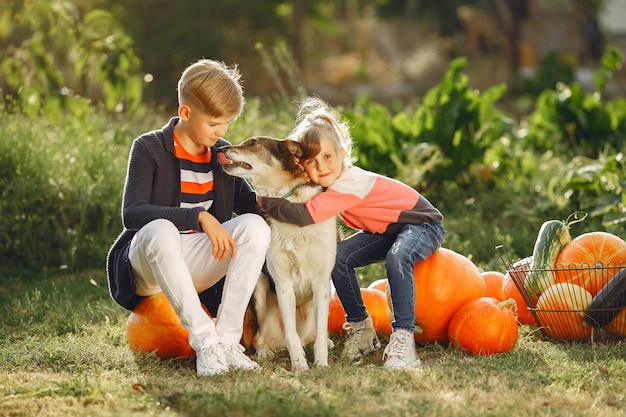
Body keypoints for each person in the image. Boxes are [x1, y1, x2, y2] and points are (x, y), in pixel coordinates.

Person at [106, 59, 271, 377]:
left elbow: (253, 207)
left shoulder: (221, 153)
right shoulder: (149, 148)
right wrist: (199, 218)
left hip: (199, 262)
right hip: (150, 264)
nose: (221, 132)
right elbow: (133, 213)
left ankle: (226, 342)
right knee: (161, 230)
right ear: (186, 113)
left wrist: (288, 191)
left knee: (254, 226)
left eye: (227, 124)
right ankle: (206, 344)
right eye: (214, 124)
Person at [257, 97, 444, 369]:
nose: (321, 167)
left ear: (342, 155)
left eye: (328, 157)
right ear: (302, 167)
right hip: (389, 230)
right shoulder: (327, 186)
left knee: (398, 256)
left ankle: (404, 337)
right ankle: (361, 329)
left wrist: (261, 201)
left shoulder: (349, 183)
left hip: (422, 224)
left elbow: (303, 215)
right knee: (339, 258)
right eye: (311, 161)